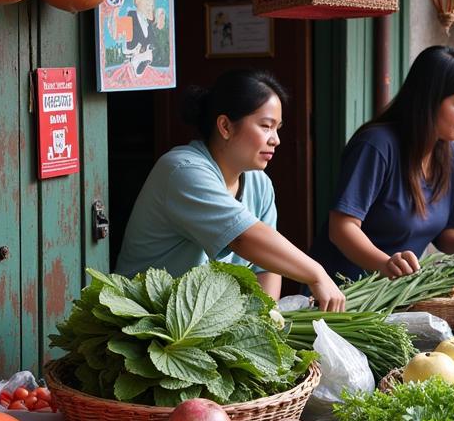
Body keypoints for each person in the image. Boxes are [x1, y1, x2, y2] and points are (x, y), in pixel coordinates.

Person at [116, 72, 345, 310]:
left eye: (277, 128)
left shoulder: (260, 183)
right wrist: (316, 273)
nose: (275, 139)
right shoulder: (182, 170)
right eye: (266, 126)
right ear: (225, 126)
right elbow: (242, 237)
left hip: (206, 324)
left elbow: (265, 265)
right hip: (147, 320)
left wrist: (265, 321)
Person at [310, 46, 454, 282]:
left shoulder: (449, 154)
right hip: (343, 292)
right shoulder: (376, 145)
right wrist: (385, 264)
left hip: (397, 294)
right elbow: (342, 228)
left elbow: (444, 233)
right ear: (429, 101)